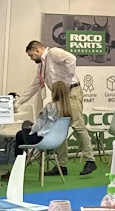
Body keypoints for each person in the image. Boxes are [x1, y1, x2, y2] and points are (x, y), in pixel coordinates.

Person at [15, 39, 96, 173]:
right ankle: (62, 166)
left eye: (31, 55)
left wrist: (66, 81)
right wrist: (18, 103)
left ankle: (90, 160)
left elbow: (72, 59)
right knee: (58, 128)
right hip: (58, 95)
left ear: (37, 50)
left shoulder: (53, 52)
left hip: (71, 92)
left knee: (77, 125)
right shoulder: (41, 66)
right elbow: (34, 86)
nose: (31, 58)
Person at [13, 81, 73, 155]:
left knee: (23, 129)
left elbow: (38, 126)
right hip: (58, 140)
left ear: (54, 92)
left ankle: (20, 159)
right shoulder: (68, 109)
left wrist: (32, 128)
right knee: (25, 130)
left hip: (42, 139)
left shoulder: (49, 107)